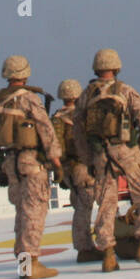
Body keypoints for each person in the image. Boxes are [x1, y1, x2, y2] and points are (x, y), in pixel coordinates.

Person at [72, 48, 140, 271]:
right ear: (116, 67)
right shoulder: (125, 91)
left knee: (106, 203)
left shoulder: (86, 95)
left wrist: (89, 159)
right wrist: (139, 146)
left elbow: (78, 132)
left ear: (96, 68)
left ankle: (108, 255)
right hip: (126, 151)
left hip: (100, 156)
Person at [0, 55, 63, 279]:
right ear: (25, 74)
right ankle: (31, 264)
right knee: (34, 213)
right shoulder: (29, 99)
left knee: (21, 214)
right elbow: (46, 130)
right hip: (32, 163)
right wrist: (56, 162)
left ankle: (24, 264)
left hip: (10, 164)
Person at [52, 78, 100, 262]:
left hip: (66, 169)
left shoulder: (55, 118)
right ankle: (85, 248)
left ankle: (84, 246)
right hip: (82, 168)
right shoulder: (80, 117)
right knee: (84, 207)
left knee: (79, 206)